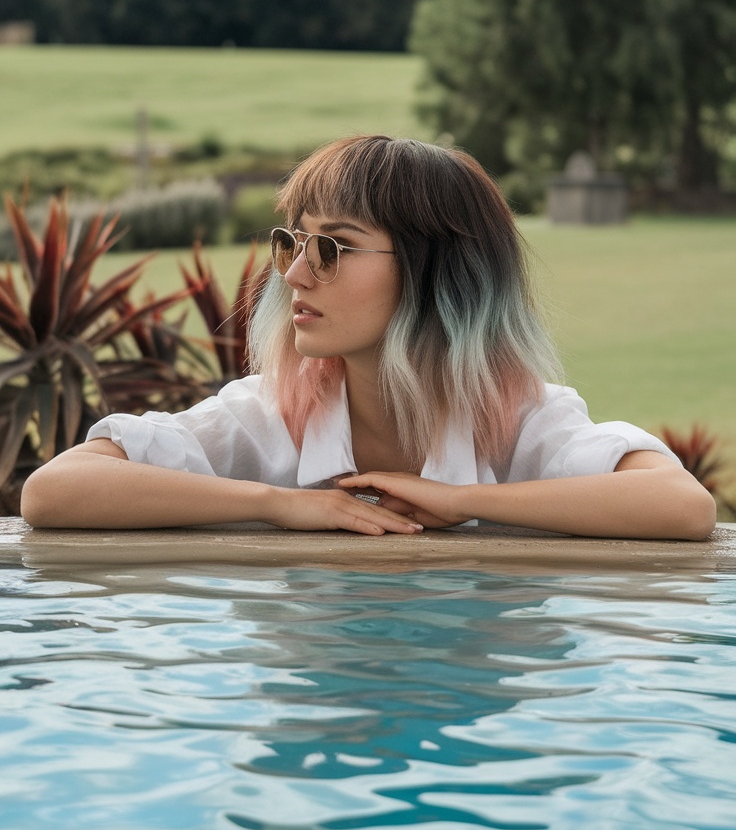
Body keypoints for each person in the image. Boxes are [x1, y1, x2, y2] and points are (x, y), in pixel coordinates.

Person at [21, 135, 715, 539]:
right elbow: (55, 492)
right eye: (293, 243)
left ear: (436, 272)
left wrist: (463, 500)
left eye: (333, 247)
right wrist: (280, 505)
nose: (294, 273)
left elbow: (682, 506)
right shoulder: (268, 415)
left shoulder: (521, 419)